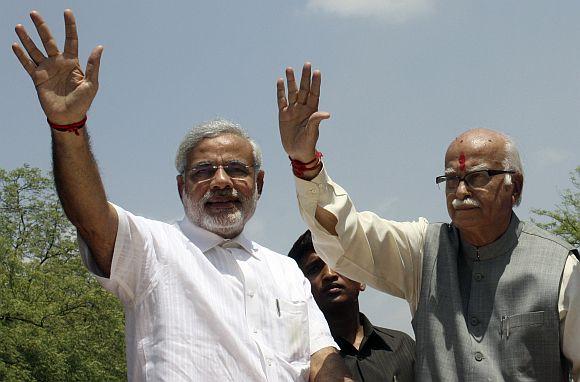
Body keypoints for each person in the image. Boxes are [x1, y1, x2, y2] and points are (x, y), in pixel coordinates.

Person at [11, 10, 355, 381]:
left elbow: (320, 355)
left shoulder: (286, 271)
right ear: (181, 188)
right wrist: (67, 126)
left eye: (237, 169)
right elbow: (90, 216)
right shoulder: (152, 249)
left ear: (259, 185)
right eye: (204, 172)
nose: (221, 181)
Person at [276, 63, 580, 381]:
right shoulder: (423, 252)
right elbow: (345, 236)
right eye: (451, 180)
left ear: (514, 187)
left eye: (477, 177)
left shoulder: (561, 268)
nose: (460, 192)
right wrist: (305, 161)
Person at [289, 230, 415, 382]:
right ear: (300, 289)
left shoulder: (402, 345)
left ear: (361, 279)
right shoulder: (299, 364)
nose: (329, 274)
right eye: (315, 268)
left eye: (339, 263)